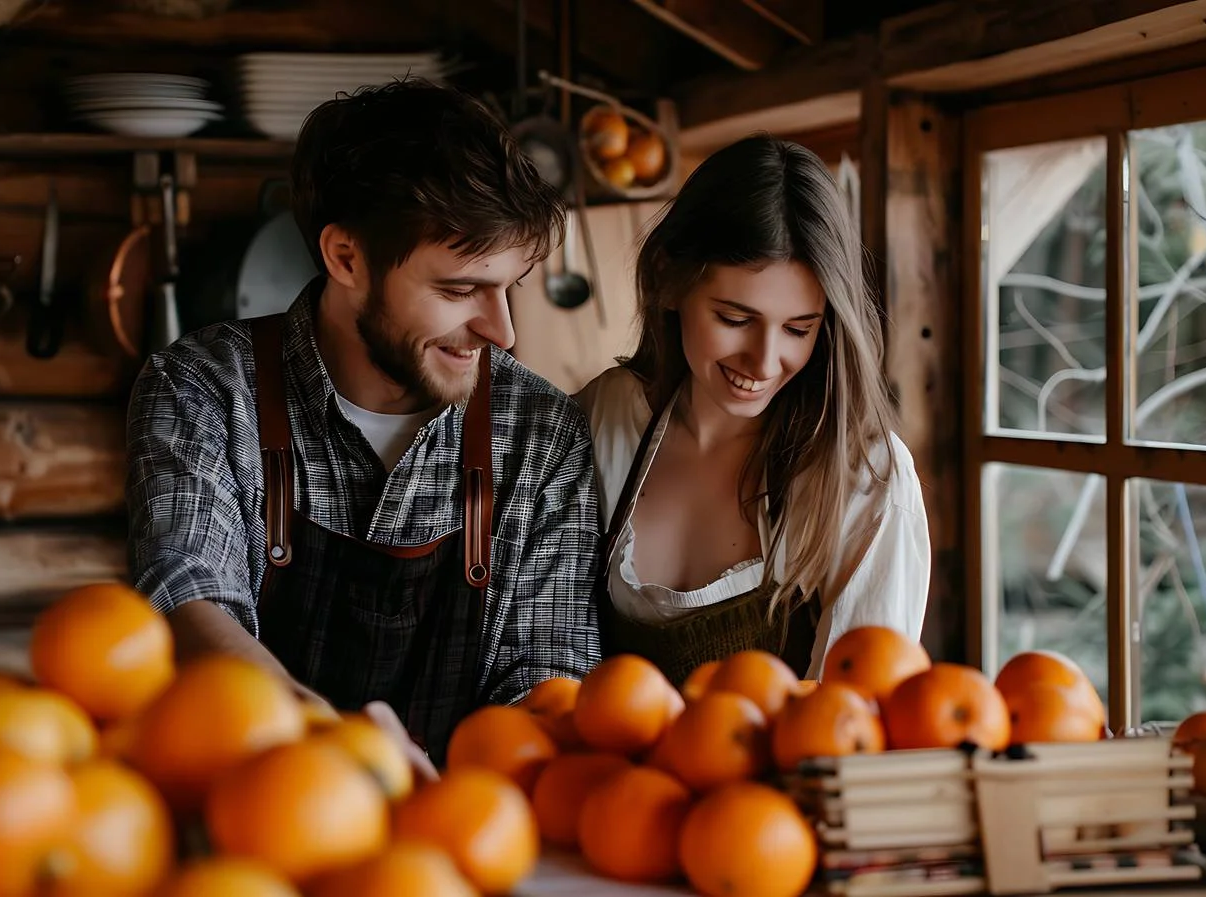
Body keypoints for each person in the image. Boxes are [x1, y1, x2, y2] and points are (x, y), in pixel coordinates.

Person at [125, 78, 602, 766]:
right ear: (346, 257)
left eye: (510, 287)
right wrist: (346, 761)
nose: (501, 330)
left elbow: (547, 672)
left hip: (460, 839)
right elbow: (190, 601)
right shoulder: (202, 388)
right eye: (460, 289)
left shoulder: (542, 433)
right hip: (248, 813)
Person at [574, 134, 930, 686]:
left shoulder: (862, 475)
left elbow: (857, 716)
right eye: (735, 319)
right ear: (670, 282)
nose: (764, 362)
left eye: (798, 329)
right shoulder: (608, 417)